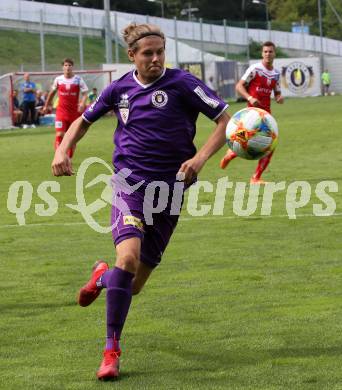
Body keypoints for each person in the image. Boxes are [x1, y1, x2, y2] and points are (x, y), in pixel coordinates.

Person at [51, 23, 229, 380]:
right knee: (128, 258)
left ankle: (102, 277)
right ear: (131, 56)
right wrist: (62, 149)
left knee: (129, 284)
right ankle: (111, 351)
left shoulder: (183, 84)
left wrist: (200, 159)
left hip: (171, 191)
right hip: (128, 185)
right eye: (148, 53)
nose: (156, 59)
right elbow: (81, 122)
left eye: (160, 52)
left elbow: (226, 120)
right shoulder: (119, 89)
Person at [220, 41, 284, 184]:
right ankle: (234, 154)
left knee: (270, 145)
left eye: (270, 51)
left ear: (275, 54)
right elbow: (239, 86)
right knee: (253, 141)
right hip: (251, 115)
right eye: (265, 51)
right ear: (262, 53)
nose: (268, 54)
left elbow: (277, 93)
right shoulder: (255, 69)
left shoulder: (276, 74)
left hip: (266, 116)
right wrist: (250, 97)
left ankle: (254, 175)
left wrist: (279, 97)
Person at [43, 58, 88, 158]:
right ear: (63, 67)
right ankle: (59, 157)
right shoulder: (58, 80)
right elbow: (51, 93)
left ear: (72, 67)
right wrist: (46, 105)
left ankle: (68, 159)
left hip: (74, 114)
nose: (67, 67)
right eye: (66, 65)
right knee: (59, 134)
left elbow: (85, 94)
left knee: (71, 138)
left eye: (69, 65)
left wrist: (82, 103)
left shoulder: (78, 79)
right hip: (61, 113)